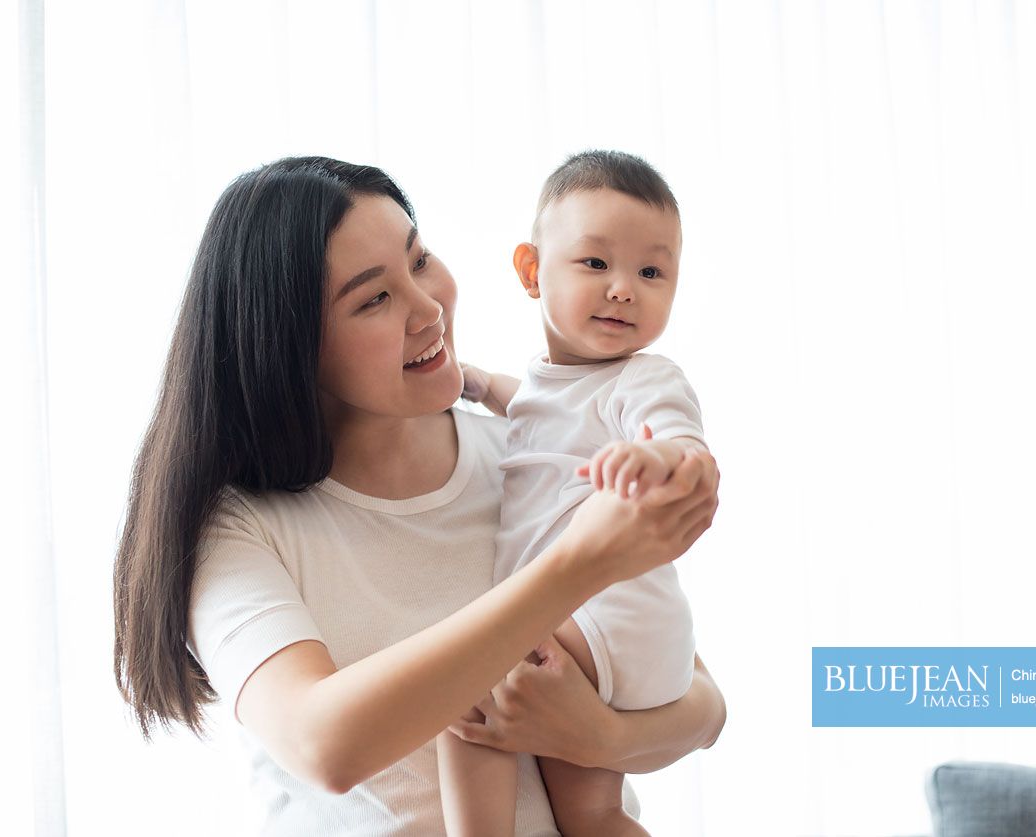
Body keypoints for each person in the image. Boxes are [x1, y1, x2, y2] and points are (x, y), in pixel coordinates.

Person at [111, 156, 724, 836]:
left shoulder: (524, 453)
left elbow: (701, 705)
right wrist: (576, 565)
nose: (428, 307)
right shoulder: (239, 531)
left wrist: (595, 737)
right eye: (375, 298)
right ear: (290, 344)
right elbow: (325, 745)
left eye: (421, 258)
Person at [440, 151, 707, 836]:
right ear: (531, 271)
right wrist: (473, 382)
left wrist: (651, 457)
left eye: (651, 272)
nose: (624, 288)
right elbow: (525, 401)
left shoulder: (643, 379)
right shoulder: (544, 384)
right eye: (596, 264)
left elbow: (684, 445)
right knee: (592, 816)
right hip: (626, 639)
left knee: (467, 685)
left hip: (610, 615)